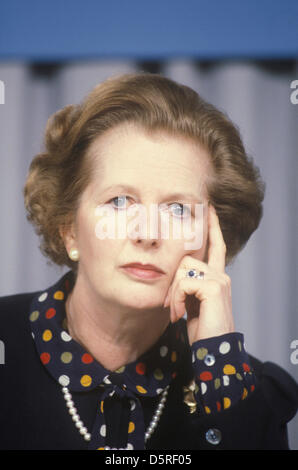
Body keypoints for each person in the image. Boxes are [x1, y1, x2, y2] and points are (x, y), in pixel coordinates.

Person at [0, 72, 297, 451]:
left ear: (210, 240)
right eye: (120, 202)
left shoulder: (241, 388)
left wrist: (218, 365)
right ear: (69, 229)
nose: (148, 233)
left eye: (177, 209)